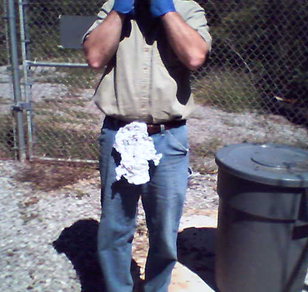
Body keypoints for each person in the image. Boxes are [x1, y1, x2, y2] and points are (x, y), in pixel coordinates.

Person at [82, 0, 212, 291]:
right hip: (119, 135)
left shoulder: (187, 8)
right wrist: (119, 12)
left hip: (168, 138)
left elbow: (194, 57)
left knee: (164, 231)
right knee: (115, 226)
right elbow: (94, 57)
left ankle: (157, 287)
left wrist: (167, 11)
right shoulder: (114, 6)